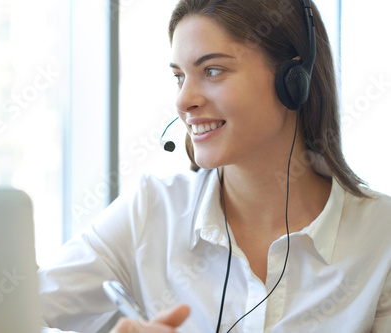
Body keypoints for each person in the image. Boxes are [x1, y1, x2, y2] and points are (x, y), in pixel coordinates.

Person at [39, 0, 391, 332]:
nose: (183, 100)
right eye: (180, 76)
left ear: (293, 79)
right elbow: (4, 313)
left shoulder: (381, 237)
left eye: (212, 70)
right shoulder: (151, 212)